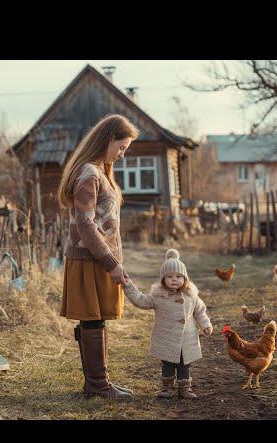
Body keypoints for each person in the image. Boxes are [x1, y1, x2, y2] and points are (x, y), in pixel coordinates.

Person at [58, 113, 139, 400]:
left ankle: (98, 382)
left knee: (97, 320)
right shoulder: (89, 173)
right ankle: (97, 385)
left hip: (99, 258)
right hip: (89, 259)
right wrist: (111, 262)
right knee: (92, 320)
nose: (121, 154)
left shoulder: (101, 172)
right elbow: (85, 223)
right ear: (107, 140)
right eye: (121, 148)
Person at [123, 249, 213, 399]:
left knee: (185, 365)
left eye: (178, 276)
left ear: (185, 278)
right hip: (167, 339)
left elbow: (200, 311)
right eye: (169, 277)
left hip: (187, 339)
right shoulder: (158, 297)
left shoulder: (192, 296)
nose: (174, 279)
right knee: (168, 364)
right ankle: (167, 388)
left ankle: (185, 388)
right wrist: (128, 285)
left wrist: (206, 325)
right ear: (163, 279)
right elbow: (140, 300)